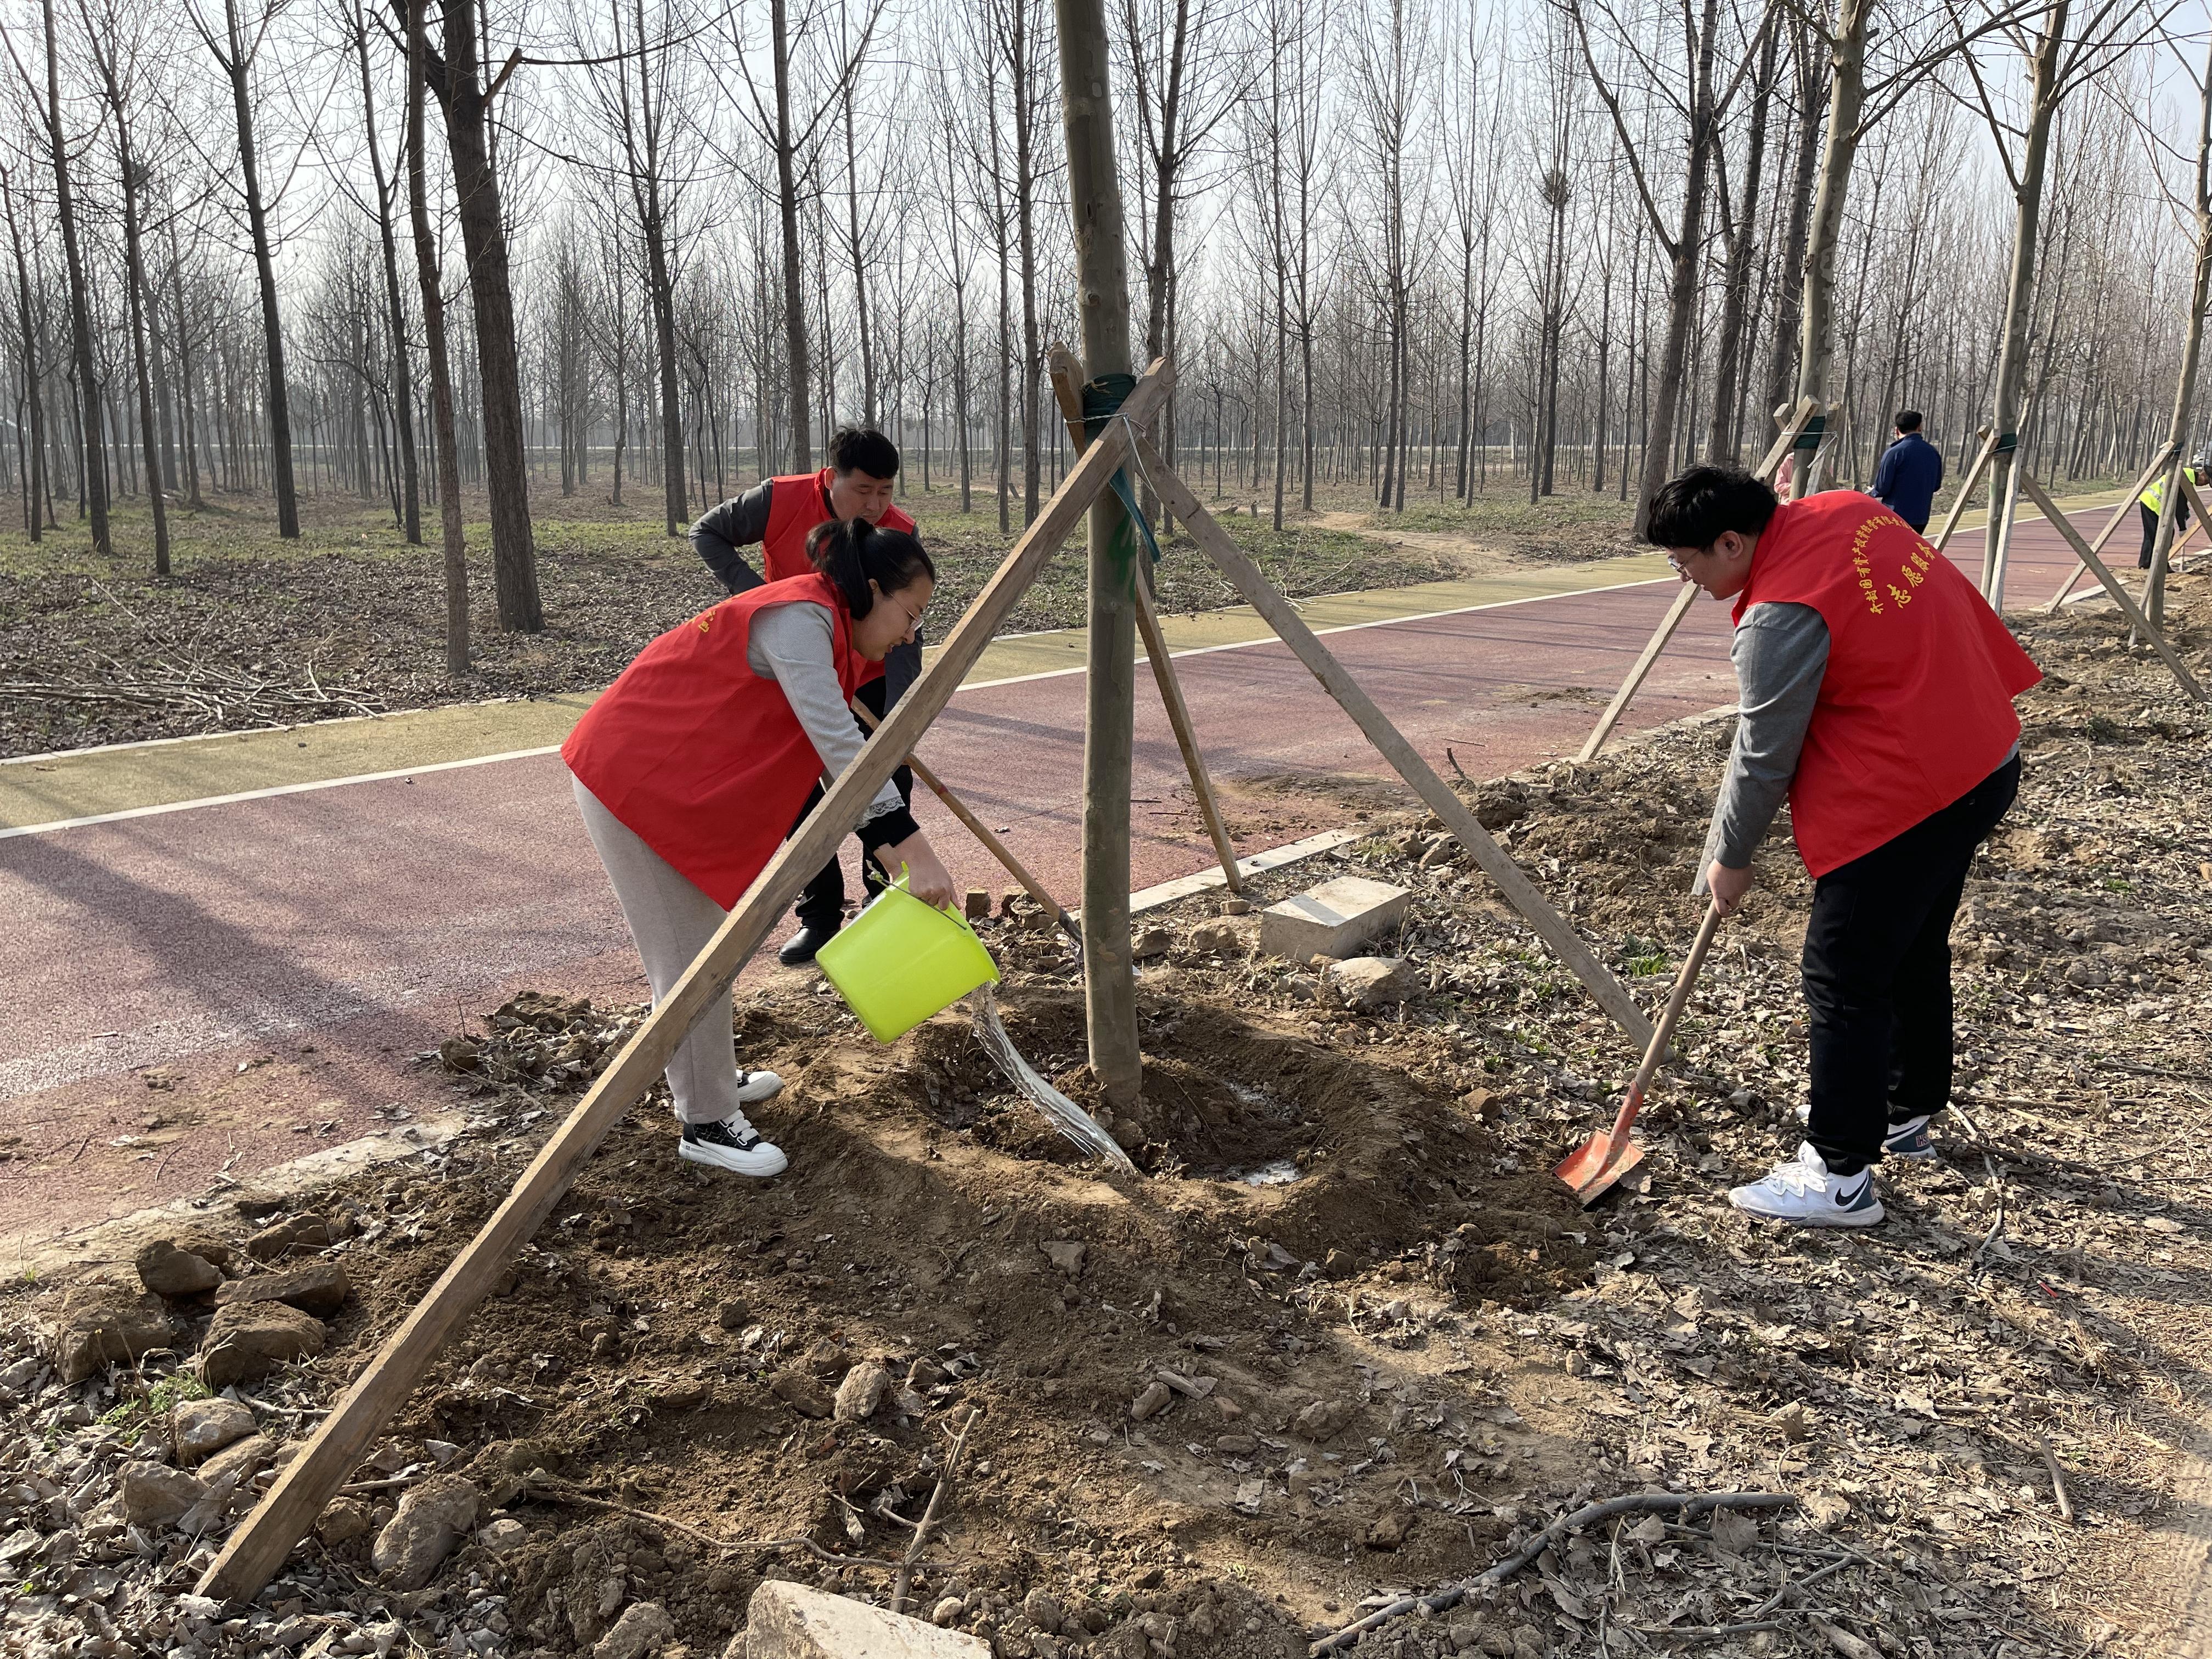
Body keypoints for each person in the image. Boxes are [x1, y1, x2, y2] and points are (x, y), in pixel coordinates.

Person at [1649, 466, 2040, 1227]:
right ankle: (1905, 1108)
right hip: (1983, 756)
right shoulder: (1849, 509)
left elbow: (1763, 755)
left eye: (1683, 560)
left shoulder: (1780, 617)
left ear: (1731, 542)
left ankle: (1839, 1174)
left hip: (1911, 795)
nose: (1682, 576)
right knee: (1912, 945)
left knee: (1844, 975)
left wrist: (1730, 855)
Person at [562, 518, 958, 1177]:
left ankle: (711, 1077)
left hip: (673, 783)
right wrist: (910, 850)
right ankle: (706, 1122)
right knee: (689, 961)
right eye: (912, 614)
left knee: (704, 947)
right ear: (871, 590)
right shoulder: (800, 618)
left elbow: (836, 759)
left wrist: (892, 846)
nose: (912, 634)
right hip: (631, 779)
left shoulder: (829, 630)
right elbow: (840, 746)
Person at [692, 427, 924, 967]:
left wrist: (901, 711)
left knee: (885, 779)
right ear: (830, 477)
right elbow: (708, 533)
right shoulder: (780, 499)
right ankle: (819, 915)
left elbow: (910, 625)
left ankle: (883, 904)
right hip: (795, 674)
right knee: (796, 792)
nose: (874, 505)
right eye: (862, 490)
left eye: (885, 492)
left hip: (867, 674)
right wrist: (759, 597)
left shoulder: (900, 531)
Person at [1870, 410, 1944, 533]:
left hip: (1895, 516)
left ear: (1897, 430)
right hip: (1921, 516)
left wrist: (1872, 492)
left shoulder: (1894, 453)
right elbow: (1936, 485)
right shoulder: (1933, 453)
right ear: (1919, 427)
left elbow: (1882, 488)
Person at [2138, 462, 2203, 569]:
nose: (2204, 485)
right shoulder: (2186, 479)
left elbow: (2181, 503)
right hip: (2152, 503)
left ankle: (2146, 563)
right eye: (2206, 482)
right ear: (2202, 475)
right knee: (2165, 533)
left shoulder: (2187, 474)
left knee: (2153, 534)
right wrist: (2182, 528)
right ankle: (2159, 564)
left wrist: (2185, 514)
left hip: (2150, 501)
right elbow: (2180, 505)